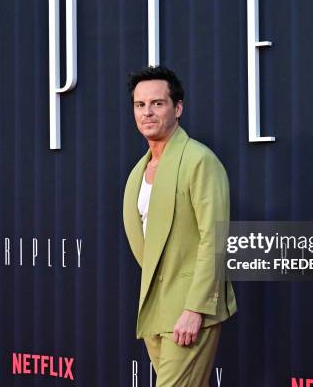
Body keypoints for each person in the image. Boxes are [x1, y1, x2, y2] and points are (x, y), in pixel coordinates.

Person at [123, 65, 237, 386]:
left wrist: (195, 308)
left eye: (157, 103)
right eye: (140, 105)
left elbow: (215, 239)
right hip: (156, 307)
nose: (147, 112)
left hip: (189, 309)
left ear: (178, 108)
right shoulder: (138, 172)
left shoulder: (199, 161)